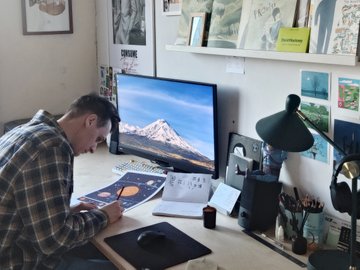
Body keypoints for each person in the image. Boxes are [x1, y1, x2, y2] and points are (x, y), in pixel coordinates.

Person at [0, 93, 123, 269]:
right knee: (117, 265)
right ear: (90, 121)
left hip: (12, 241)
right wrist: (104, 215)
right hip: (13, 261)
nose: (94, 148)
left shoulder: (26, 131)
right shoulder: (50, 148)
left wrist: (64, 213)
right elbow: (55, 241)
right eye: (98, 139)